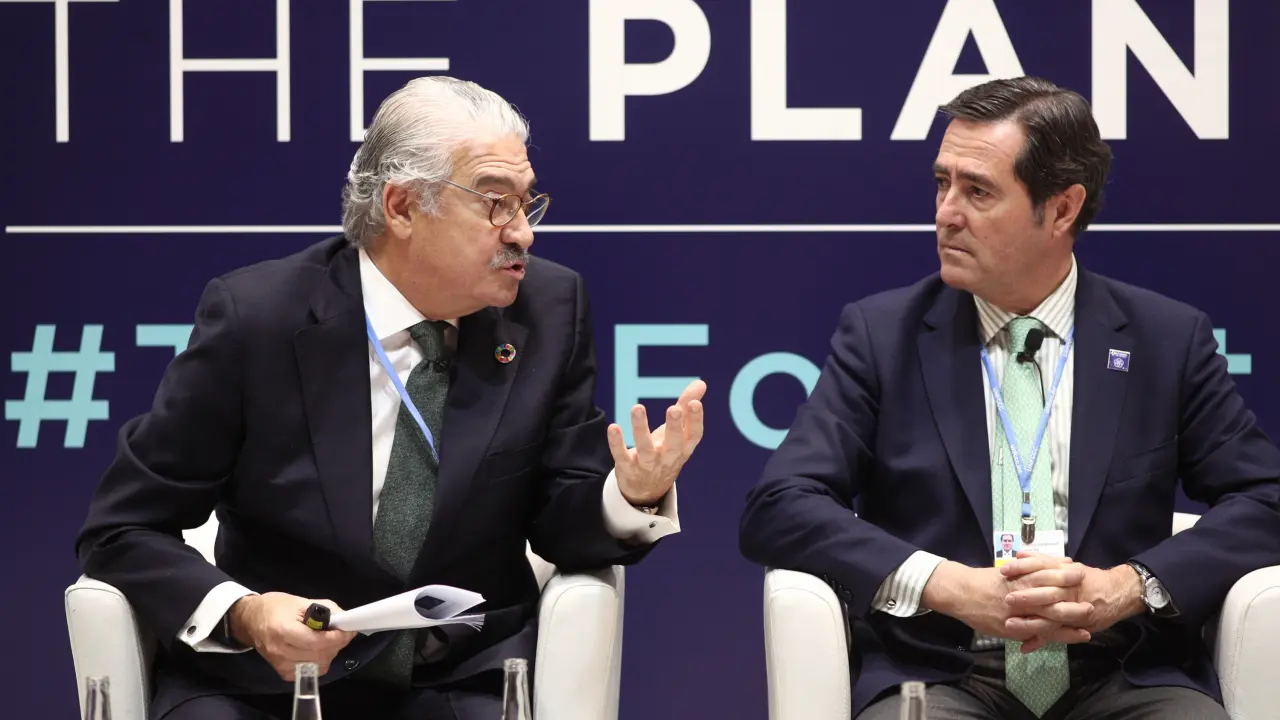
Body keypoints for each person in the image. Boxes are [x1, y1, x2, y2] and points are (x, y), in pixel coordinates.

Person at [75, 76, 706, 720]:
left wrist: (630, 496)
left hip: (455, 678)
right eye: (496, 203)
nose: (523, 233)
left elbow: (559, 518)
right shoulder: (259, 319)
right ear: (402, 207)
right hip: (264, 682)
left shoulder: (549, 309)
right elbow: (124, 527)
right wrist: (245, 614)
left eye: (527, 203)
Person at [738, 76, 1280, 720]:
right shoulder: (882, 337)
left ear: (1062, 209)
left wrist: (1126, 587)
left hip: (1121, 675)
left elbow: (1266, 499)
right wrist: (948, 585)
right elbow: (779, 506)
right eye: (942, 183)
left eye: (978, 191)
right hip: (945, 672)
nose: (946, 213)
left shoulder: (1166, 340)